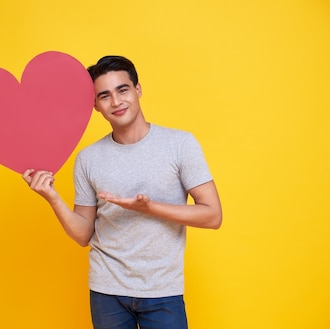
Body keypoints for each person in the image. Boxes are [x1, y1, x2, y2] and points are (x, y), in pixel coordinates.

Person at [22, 55, 222, 329]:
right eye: (104, 96)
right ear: (95, 105)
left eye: (122, 90)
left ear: (138, 89)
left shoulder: (180, 145)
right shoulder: (88, 159)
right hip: (107, 292)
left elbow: (213, 216)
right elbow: (83, 235)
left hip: (162, 290)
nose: (116, 102)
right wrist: (52, 198)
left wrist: (149, 208)